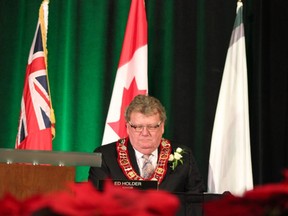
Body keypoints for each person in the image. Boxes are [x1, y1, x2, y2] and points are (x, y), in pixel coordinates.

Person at [88, 94, 205, 193]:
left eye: (152, 127)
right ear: (127, 127)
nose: (145, 133)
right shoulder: (105, 156)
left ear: (162, 126)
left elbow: (196, 203)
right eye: (138, 127)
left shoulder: (184, 155)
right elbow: (96, 203)